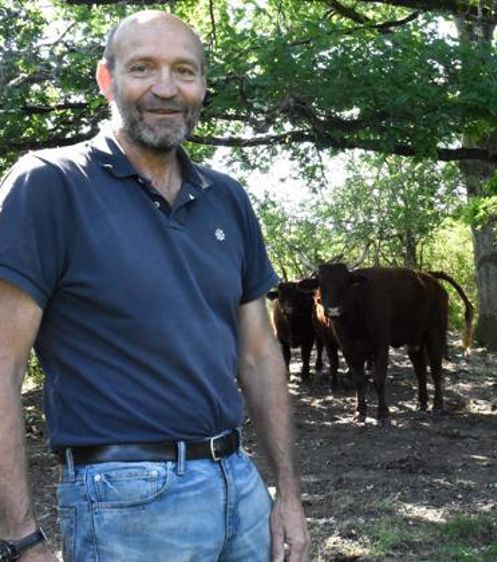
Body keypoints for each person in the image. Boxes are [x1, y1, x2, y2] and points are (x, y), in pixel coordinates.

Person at [0, 10, 309, 561]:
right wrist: (20, 537)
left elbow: (260, 353)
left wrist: (286, 493)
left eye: (184, 72)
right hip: (125, 503)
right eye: (143, 68)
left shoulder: (227, 198)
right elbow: (3, 363)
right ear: (107, 80)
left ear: (203, 86)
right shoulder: (49, 183)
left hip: (239, 486)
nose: (165, 89)